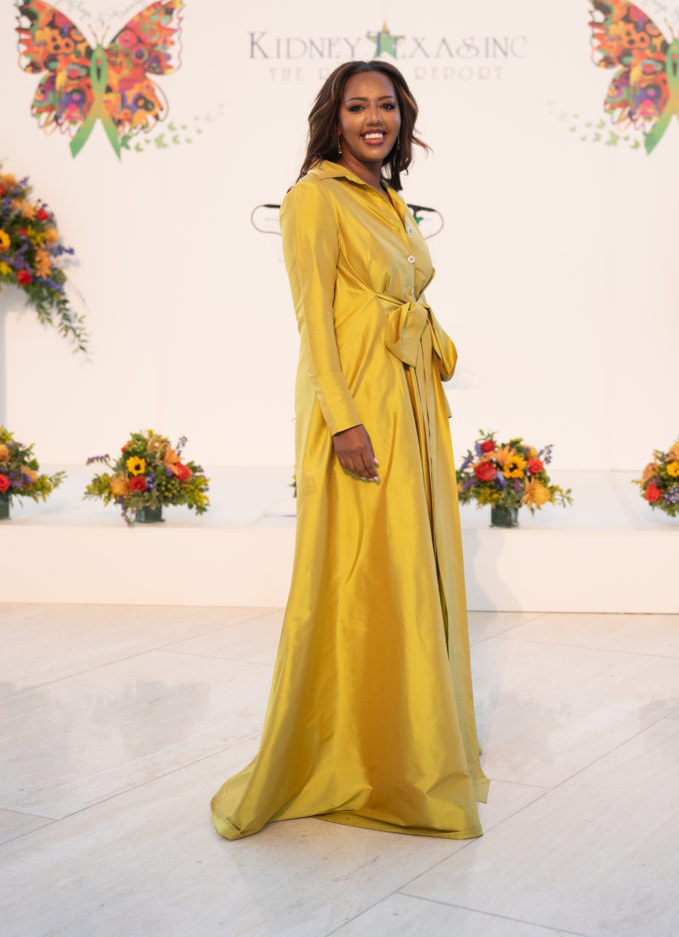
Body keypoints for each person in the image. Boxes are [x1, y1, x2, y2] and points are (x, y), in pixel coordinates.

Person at [211, 60, 488, 840]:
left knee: (406, 570)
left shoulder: (392, 198)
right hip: (357, 403)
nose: (376, 117)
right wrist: (343, 421)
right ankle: (346, 755)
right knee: (361, 572)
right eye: (358, 106)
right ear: (333, 119)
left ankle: (407, 750)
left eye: (387, 105)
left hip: (407, 401)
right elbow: (313, 320)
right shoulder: (311, 199)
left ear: (403, 117)